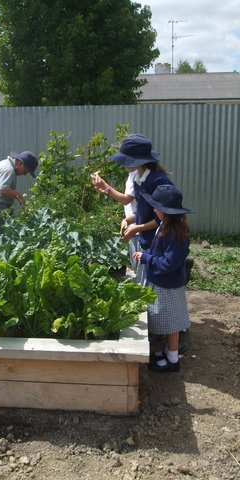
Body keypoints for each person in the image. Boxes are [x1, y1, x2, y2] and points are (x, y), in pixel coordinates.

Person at [91, 134, 173, 284]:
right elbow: (144, 209)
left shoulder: (158, 181)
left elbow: (165, 217)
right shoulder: (139, 178)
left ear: (138, 161)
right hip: (145, 237)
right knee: (142, 280)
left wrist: (137, 228)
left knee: (151, 283)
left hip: (157, 240)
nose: (124, 163)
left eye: (127, 159)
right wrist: (128, 219)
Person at [132, 184, 193, 372]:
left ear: (166, 212)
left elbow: (168, 264)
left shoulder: (176, 235)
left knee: (172, 324)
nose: (153, 210)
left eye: (157, 207)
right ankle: (168, 352)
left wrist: (147, 258)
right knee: (168, 322)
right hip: (163, 283)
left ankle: (173, 360)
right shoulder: (165, 226)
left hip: (168, 286)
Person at [0, 150, 38, 234]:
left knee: (0, 238)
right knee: (6, 237)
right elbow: (3, 190)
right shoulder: (8, 170)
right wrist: (18, 195)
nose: (25, 174)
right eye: (26, 171)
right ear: (20, 163)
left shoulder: (5, 164)